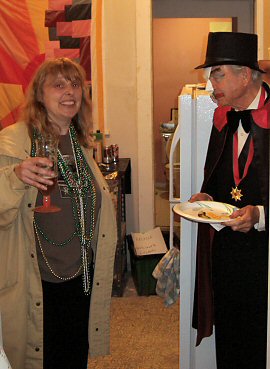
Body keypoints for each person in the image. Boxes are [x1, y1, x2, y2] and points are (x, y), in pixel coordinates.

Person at [0, 57, 117, 369]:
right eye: (59, 84)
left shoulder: (81, 143)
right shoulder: (14, 140)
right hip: (36, 278)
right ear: (40, 94)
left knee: (74, 354)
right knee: (40, 357)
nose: (70, 92)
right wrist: (14, 175)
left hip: (81, 275)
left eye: (75, 84)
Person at [190, 32, 270, 369]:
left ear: (246, 74)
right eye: (211, 74)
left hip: (265, 255)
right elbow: (220, 176)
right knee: (230, 336)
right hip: (226, 251)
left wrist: (261, 214)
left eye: (218, 73)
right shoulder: (223, 117)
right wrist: (206, 196)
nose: (211, 83)